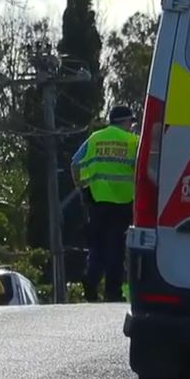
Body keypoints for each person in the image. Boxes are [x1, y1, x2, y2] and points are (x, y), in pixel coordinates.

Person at [71, 105, 139, 303]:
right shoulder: (133, 141)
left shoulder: (95, 138)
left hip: (97, 201)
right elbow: (141, 169)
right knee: (116, 248)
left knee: (98, 245)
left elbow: (75, 162)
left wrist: (81, 188)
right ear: (125, 122)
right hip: (123, 202)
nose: (130, 126)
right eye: (130, 122)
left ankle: (91, 279)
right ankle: (112, 291)